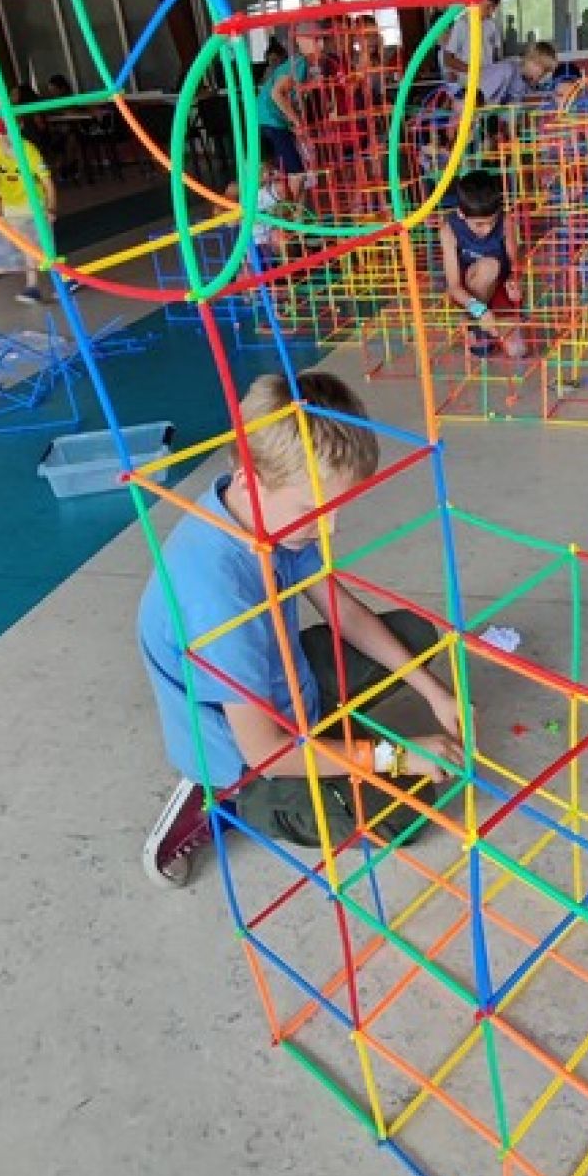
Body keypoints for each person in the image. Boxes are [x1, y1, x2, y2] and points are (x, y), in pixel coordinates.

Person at [139, 369, 465, 886]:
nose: (328, 529)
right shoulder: (218, 598)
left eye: (335, 510)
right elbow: (267, 752)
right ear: (249, 480)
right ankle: (223, 800)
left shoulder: (266, 517)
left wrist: (434, 693)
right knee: (404, 811)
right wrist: (399, 755)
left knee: (417, 637)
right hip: (251, 755)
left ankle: (329, 741)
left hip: (286, 679)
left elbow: (344, 612)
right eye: (313, 511)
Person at [439, 167, 524, 362]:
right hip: (468, 294)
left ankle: (484, 322)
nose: (487, 229)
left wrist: (514, 280)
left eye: (491, 222)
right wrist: (480, 310)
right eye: (479, 224)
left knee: (518, 351)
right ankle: (474, 320)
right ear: (461, 213)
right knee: (488, 266)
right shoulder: (449, 230)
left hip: (498, 288)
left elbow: (515, 263)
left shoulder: (505, 222)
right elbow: (454, 286)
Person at [0, 123, 56, 304]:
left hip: (33, 203)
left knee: (36, 246)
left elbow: (47, 183)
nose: (1, 138)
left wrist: (51, 209)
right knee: (28, 247)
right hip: (10, 205)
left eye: (4, 133)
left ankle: (37, 286)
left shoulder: (28, 149)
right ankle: (49, 283)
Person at [255, 18, 324, 183]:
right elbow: (276, 94)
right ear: (300, 41)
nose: (321, 44)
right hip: (270, 119)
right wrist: (297, 122)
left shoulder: (304, 64)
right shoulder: (299, 63)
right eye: (315, 39)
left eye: (322, 39)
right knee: (295, 170)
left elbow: (294, 96)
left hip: (269, 119)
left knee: (283, 168)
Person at [438, 0, 503, 88]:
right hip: (468, 86)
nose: (490, 12)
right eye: (488, 7)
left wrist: (494, 72)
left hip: (488, 85)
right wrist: (473, 71)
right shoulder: (462, 24)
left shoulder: (492, 26)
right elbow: (448, 59)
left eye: (493, 8)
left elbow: (496, 57)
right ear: (478, 1)